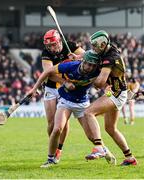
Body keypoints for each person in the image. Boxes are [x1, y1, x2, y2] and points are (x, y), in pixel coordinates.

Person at [28, 50, 116, 168]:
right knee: (57, 128)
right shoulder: (71, 65)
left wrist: (107, 91)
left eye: (93, 65)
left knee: (91, 137)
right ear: (83, 61)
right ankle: (50, 159)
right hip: (66, 101)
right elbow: (48, 71)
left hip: (82, 104)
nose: (90, 67)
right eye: (88, 64)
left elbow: (105, 85)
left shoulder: (97, 71)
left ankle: (104, 150)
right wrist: (35, 88)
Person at [83, 30, 138, 166]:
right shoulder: (109, 49)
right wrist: (79, 57)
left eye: (95, 45)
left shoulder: (110, 58)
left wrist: (89, 76)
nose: (93, 48)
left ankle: (99, 148)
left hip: (116, 93)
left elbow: (100, 83)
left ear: (102, 45)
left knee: (89, 112)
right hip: (117, 92)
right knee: (110, 129)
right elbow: (94, 57)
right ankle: (130, 158)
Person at [41, 29, 85, 162]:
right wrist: (64, 82)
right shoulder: (46, 53)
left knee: (63, 123)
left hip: (66, 90)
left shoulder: (70, 45)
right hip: (51, 86)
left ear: (59, 41)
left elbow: (88, 57)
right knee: (51, 122)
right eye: (48, 46)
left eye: (53, 45)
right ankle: (52, 147)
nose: (51, 48)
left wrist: (77, 57)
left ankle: (59, 149)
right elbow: (49, 73)